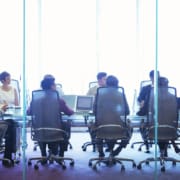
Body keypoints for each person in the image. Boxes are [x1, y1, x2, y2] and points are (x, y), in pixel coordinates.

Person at [27, 76, 74, 164]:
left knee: (42, 127)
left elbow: (28, 112)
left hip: (40, 130)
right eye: (55, 85)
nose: (56, 86)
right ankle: (61, 155)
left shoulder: (35, 100)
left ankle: (43, 154)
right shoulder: (59, 101)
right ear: (52, 87)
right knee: (66, 125)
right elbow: (70, 112)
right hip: (55, 130)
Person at [92, 75, 131, 157]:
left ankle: (100, 152)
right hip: (118, 127)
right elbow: (127, 112)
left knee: (92, 126)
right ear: (117, 84)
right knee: (130, 128)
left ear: (107, 84)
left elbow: (94, 111)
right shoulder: (120, 94)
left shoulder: (99, 94)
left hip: (101, 127)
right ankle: (118, 149)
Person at [0, 71, 20, 167]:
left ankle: (8, 156)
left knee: (11, 126)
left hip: (12, 116)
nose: (10, 80)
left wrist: (11, 106)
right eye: (8, 79)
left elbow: (17, 105)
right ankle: (8, 156)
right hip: (1, 116)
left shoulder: (14, 89)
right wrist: (2, 106)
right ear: (3, 80)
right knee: (11, 128)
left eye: (10, 78)